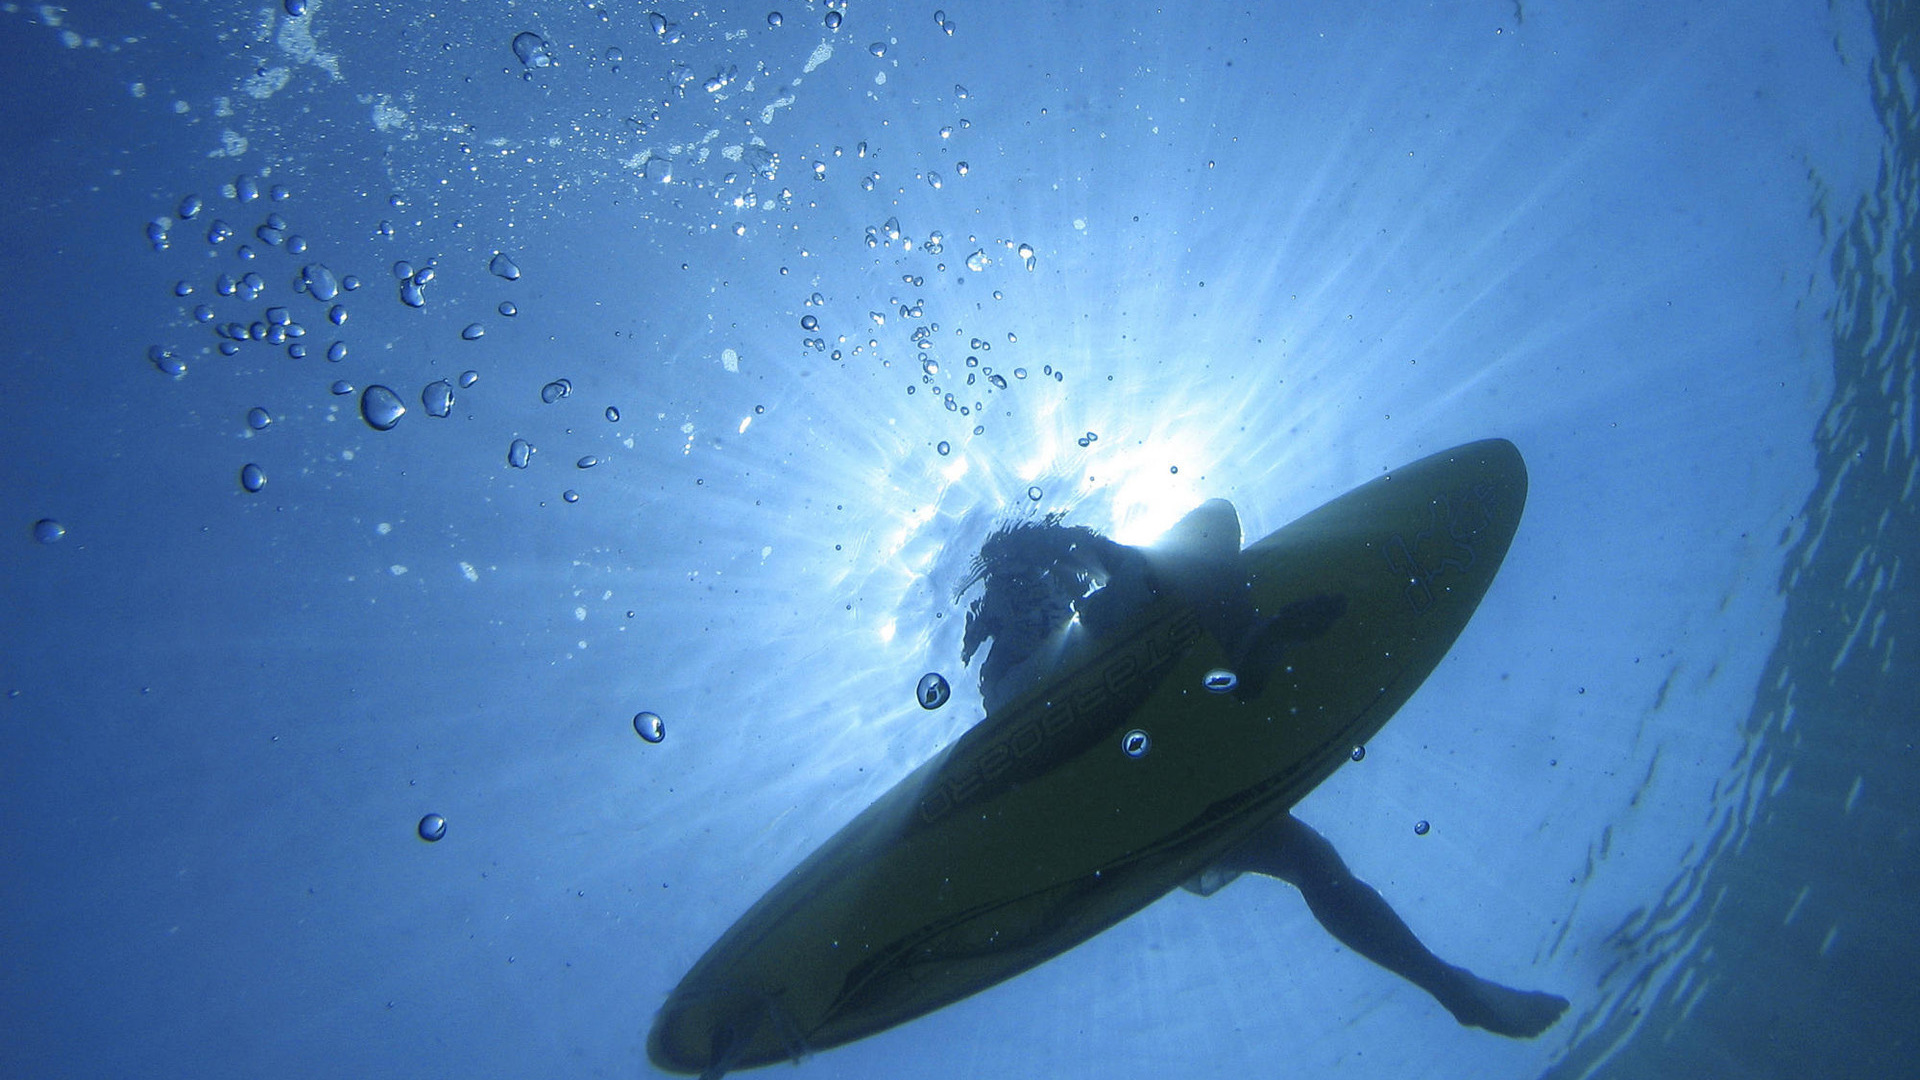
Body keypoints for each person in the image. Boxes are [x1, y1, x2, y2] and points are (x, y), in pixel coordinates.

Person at [955, 502, 1570, 1039]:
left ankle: (1451, 988)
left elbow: (1132, 560)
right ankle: (1245, 643)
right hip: (1073, 751)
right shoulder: (1005, 615)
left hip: (1157, 761)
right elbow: (1006, 705)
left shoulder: (1065, 576)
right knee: (1184, 546)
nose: (1041, 584)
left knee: (1309, 860)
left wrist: (1127, 577)